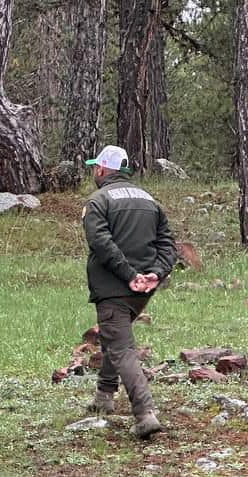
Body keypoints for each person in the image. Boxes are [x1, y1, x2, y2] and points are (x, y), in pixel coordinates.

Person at [81, 145, 175, 439]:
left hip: (114, 288)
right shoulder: (150, 201)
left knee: (121, 348)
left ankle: (145, 414)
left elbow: (100, 242)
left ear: (101, 170)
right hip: (142, 290)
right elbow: (168, 244)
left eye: (95, 167)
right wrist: (155, 274)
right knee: (115, 336)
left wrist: (128, 275)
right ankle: (104, 396)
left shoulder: (98, 200)